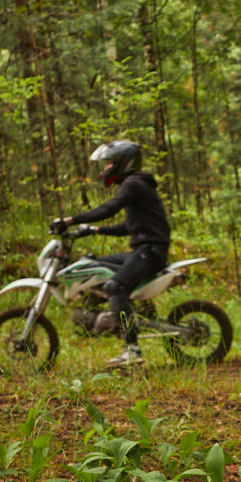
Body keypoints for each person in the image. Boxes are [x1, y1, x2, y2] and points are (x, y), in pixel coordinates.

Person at [51, 140, 171, 367]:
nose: (105, 169)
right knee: (93, 265)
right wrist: (94, 230)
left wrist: (71, 220)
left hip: (150, 252)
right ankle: (115, 315)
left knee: (114, 286)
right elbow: (129, 226)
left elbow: (109, 208)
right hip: (144, 250)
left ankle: (132, 350)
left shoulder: (134, 183)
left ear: (123, 163)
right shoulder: (137, 185)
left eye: (108, 164)